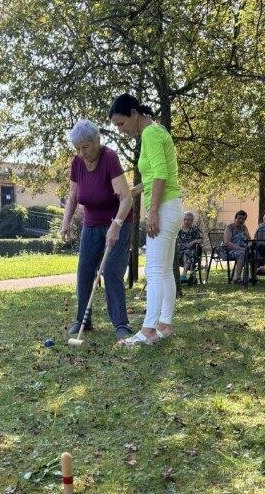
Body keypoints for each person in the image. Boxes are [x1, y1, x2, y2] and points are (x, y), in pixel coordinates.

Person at [108, 93, 183, 345]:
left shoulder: (150, 134)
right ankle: (164, 324)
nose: (120, 130)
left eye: (121, 123)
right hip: (172, 207)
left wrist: (152, 212)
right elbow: (154, 178)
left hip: (164, 208)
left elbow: (161, 175)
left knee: (154, 271)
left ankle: (149, 330)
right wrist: (132, 192)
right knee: (165, 271)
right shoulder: (158, 131)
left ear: (134, 113)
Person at [60, 119, 134, 341]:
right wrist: (65, 222)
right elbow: (73, 196)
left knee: (111, 271)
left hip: (118, 221)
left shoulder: (109, 158)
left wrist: (116, 225)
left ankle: (121, 324)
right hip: (91, 224)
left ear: (97, 141)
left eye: (85, 147)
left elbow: (126, 198)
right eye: (77, 148)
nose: (81, 153)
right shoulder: (77, 162)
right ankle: (83, 320)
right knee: (84, 270)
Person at [223, 210, 250, 284]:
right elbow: (227, 243)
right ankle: (237, 278)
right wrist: (241, 249)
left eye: (243, 219)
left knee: (255, 253)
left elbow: (249, 240)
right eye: (239, 218)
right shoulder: (229, 227)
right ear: (235, 218)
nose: (241, 220)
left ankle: (251, 277)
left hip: (243, 249)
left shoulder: (244, 227)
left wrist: (249, 245)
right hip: (229, 251)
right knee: (242, 254)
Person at [177, 211, 203, 284]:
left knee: (187, 252)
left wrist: (193, 242)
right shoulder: (178, 230)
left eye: (188, 220)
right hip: (179, 251)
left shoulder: (195, 230)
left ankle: (184, 274)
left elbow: (201, 239)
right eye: (185, 219)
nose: (186, 221)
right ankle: (185, 275)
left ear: (192, 221)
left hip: (191, 252)